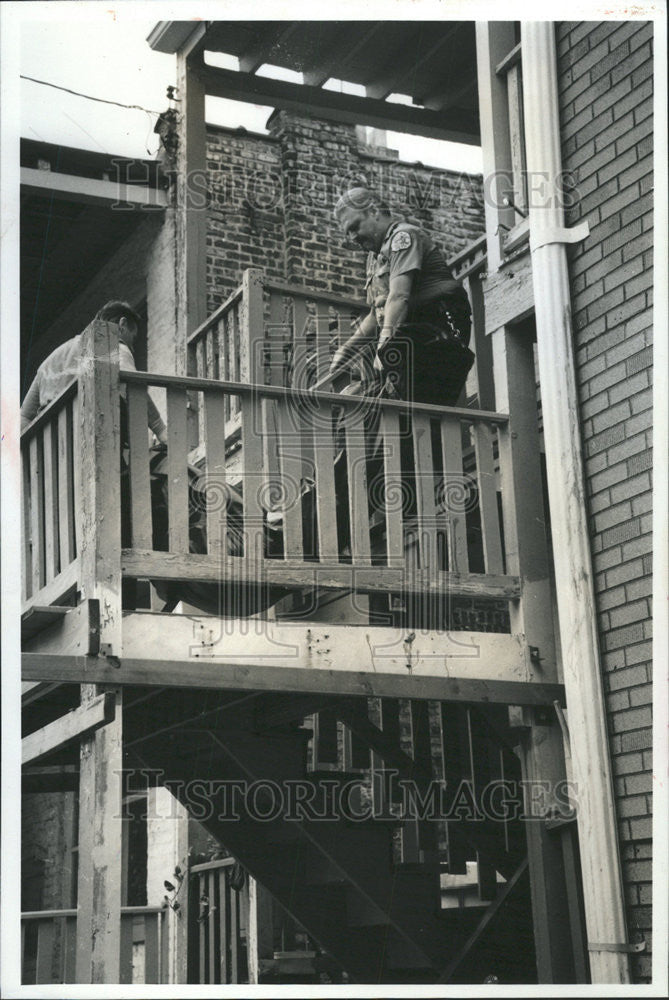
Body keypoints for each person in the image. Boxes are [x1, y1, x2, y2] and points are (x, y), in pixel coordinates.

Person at [328, 186, 474, 405]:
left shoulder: (403, 237)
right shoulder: (374, 256)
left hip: (437, 329)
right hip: (412, 339)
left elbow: (399, 297)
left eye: (355, 227)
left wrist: (384, 345)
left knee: (392, 400)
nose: (352, 238)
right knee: (377, 402)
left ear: (374, 210)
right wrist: (347, 350)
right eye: (347, 233)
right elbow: (377, 312)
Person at [21, 300, 167, 442]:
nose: (132, 348)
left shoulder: (49, 362)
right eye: (132, 339)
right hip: (91, 442)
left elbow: (24, 418)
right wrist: (160, 430)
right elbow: (132, 386)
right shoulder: (111, 344)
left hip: (53, 452)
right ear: (122, 325)